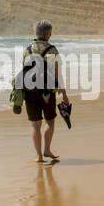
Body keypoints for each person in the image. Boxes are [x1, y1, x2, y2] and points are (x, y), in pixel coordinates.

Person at [21, 19, 70, 164]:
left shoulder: (28, 49)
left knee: (35, 125)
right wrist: (64, 94)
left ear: (36, 33)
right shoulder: (52, 50)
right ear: (49, 34)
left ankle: (39, 156)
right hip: (47, 91)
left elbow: (24, 70)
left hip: (29, 90)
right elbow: (57, 74)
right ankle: (47, 149)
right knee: (50, 121)